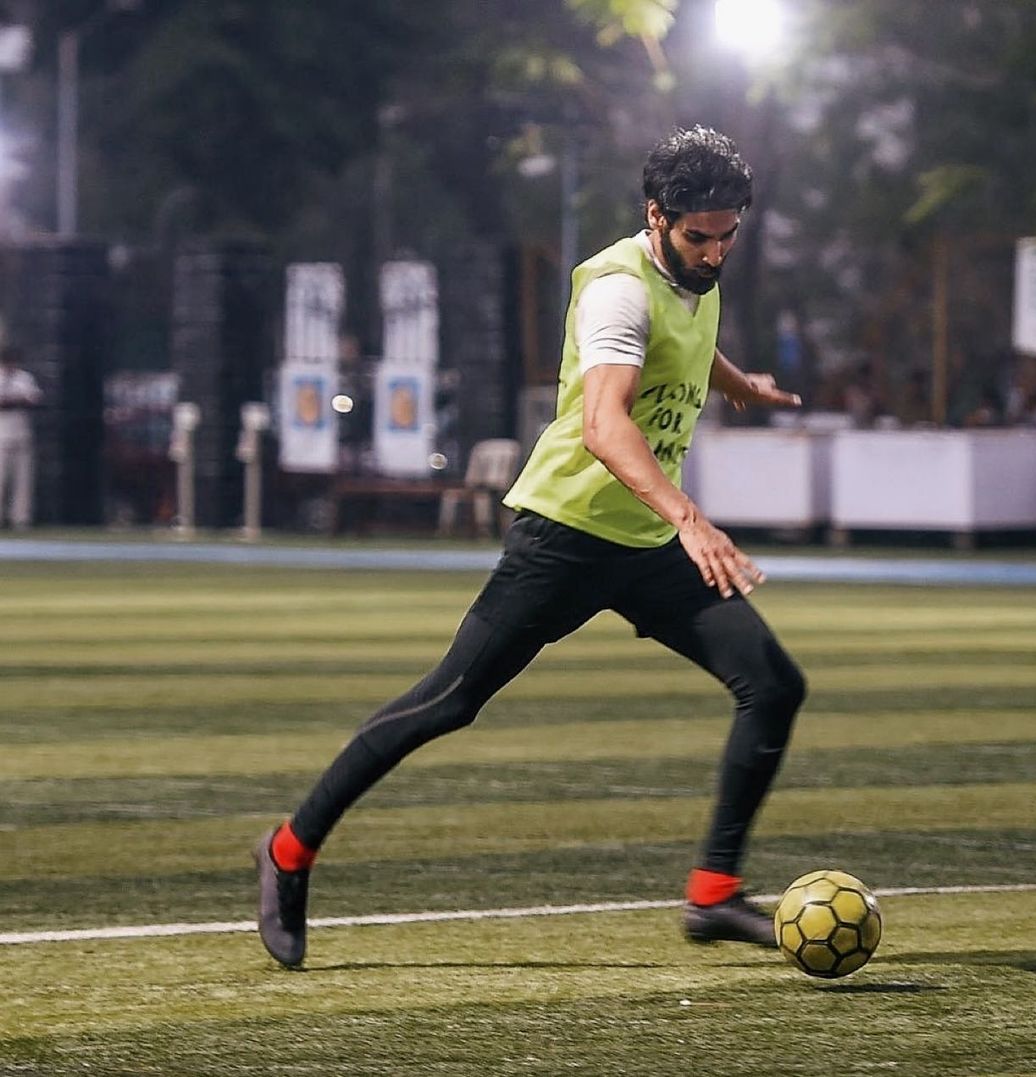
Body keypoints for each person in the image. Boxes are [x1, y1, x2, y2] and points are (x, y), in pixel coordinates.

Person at [255, 125, 806, 968]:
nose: (716, 250)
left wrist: (737, 383)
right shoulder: (618, 289)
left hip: (644, 537)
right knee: (446, 702)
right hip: (568, 535)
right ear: (656, 217)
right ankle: (289, 849)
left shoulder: (697, 268)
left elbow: (687, 342)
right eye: (700, 235)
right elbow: (603, 423)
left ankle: (712, 892)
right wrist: (692, 517)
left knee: (771, 685)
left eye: (730, 233)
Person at [0, 344, 43, 530]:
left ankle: (20, 519)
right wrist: (14, 400)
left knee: (23, 480)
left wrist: (12, 400)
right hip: (1, 435)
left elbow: (33, 399)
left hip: (22, 434)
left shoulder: (24, 378)